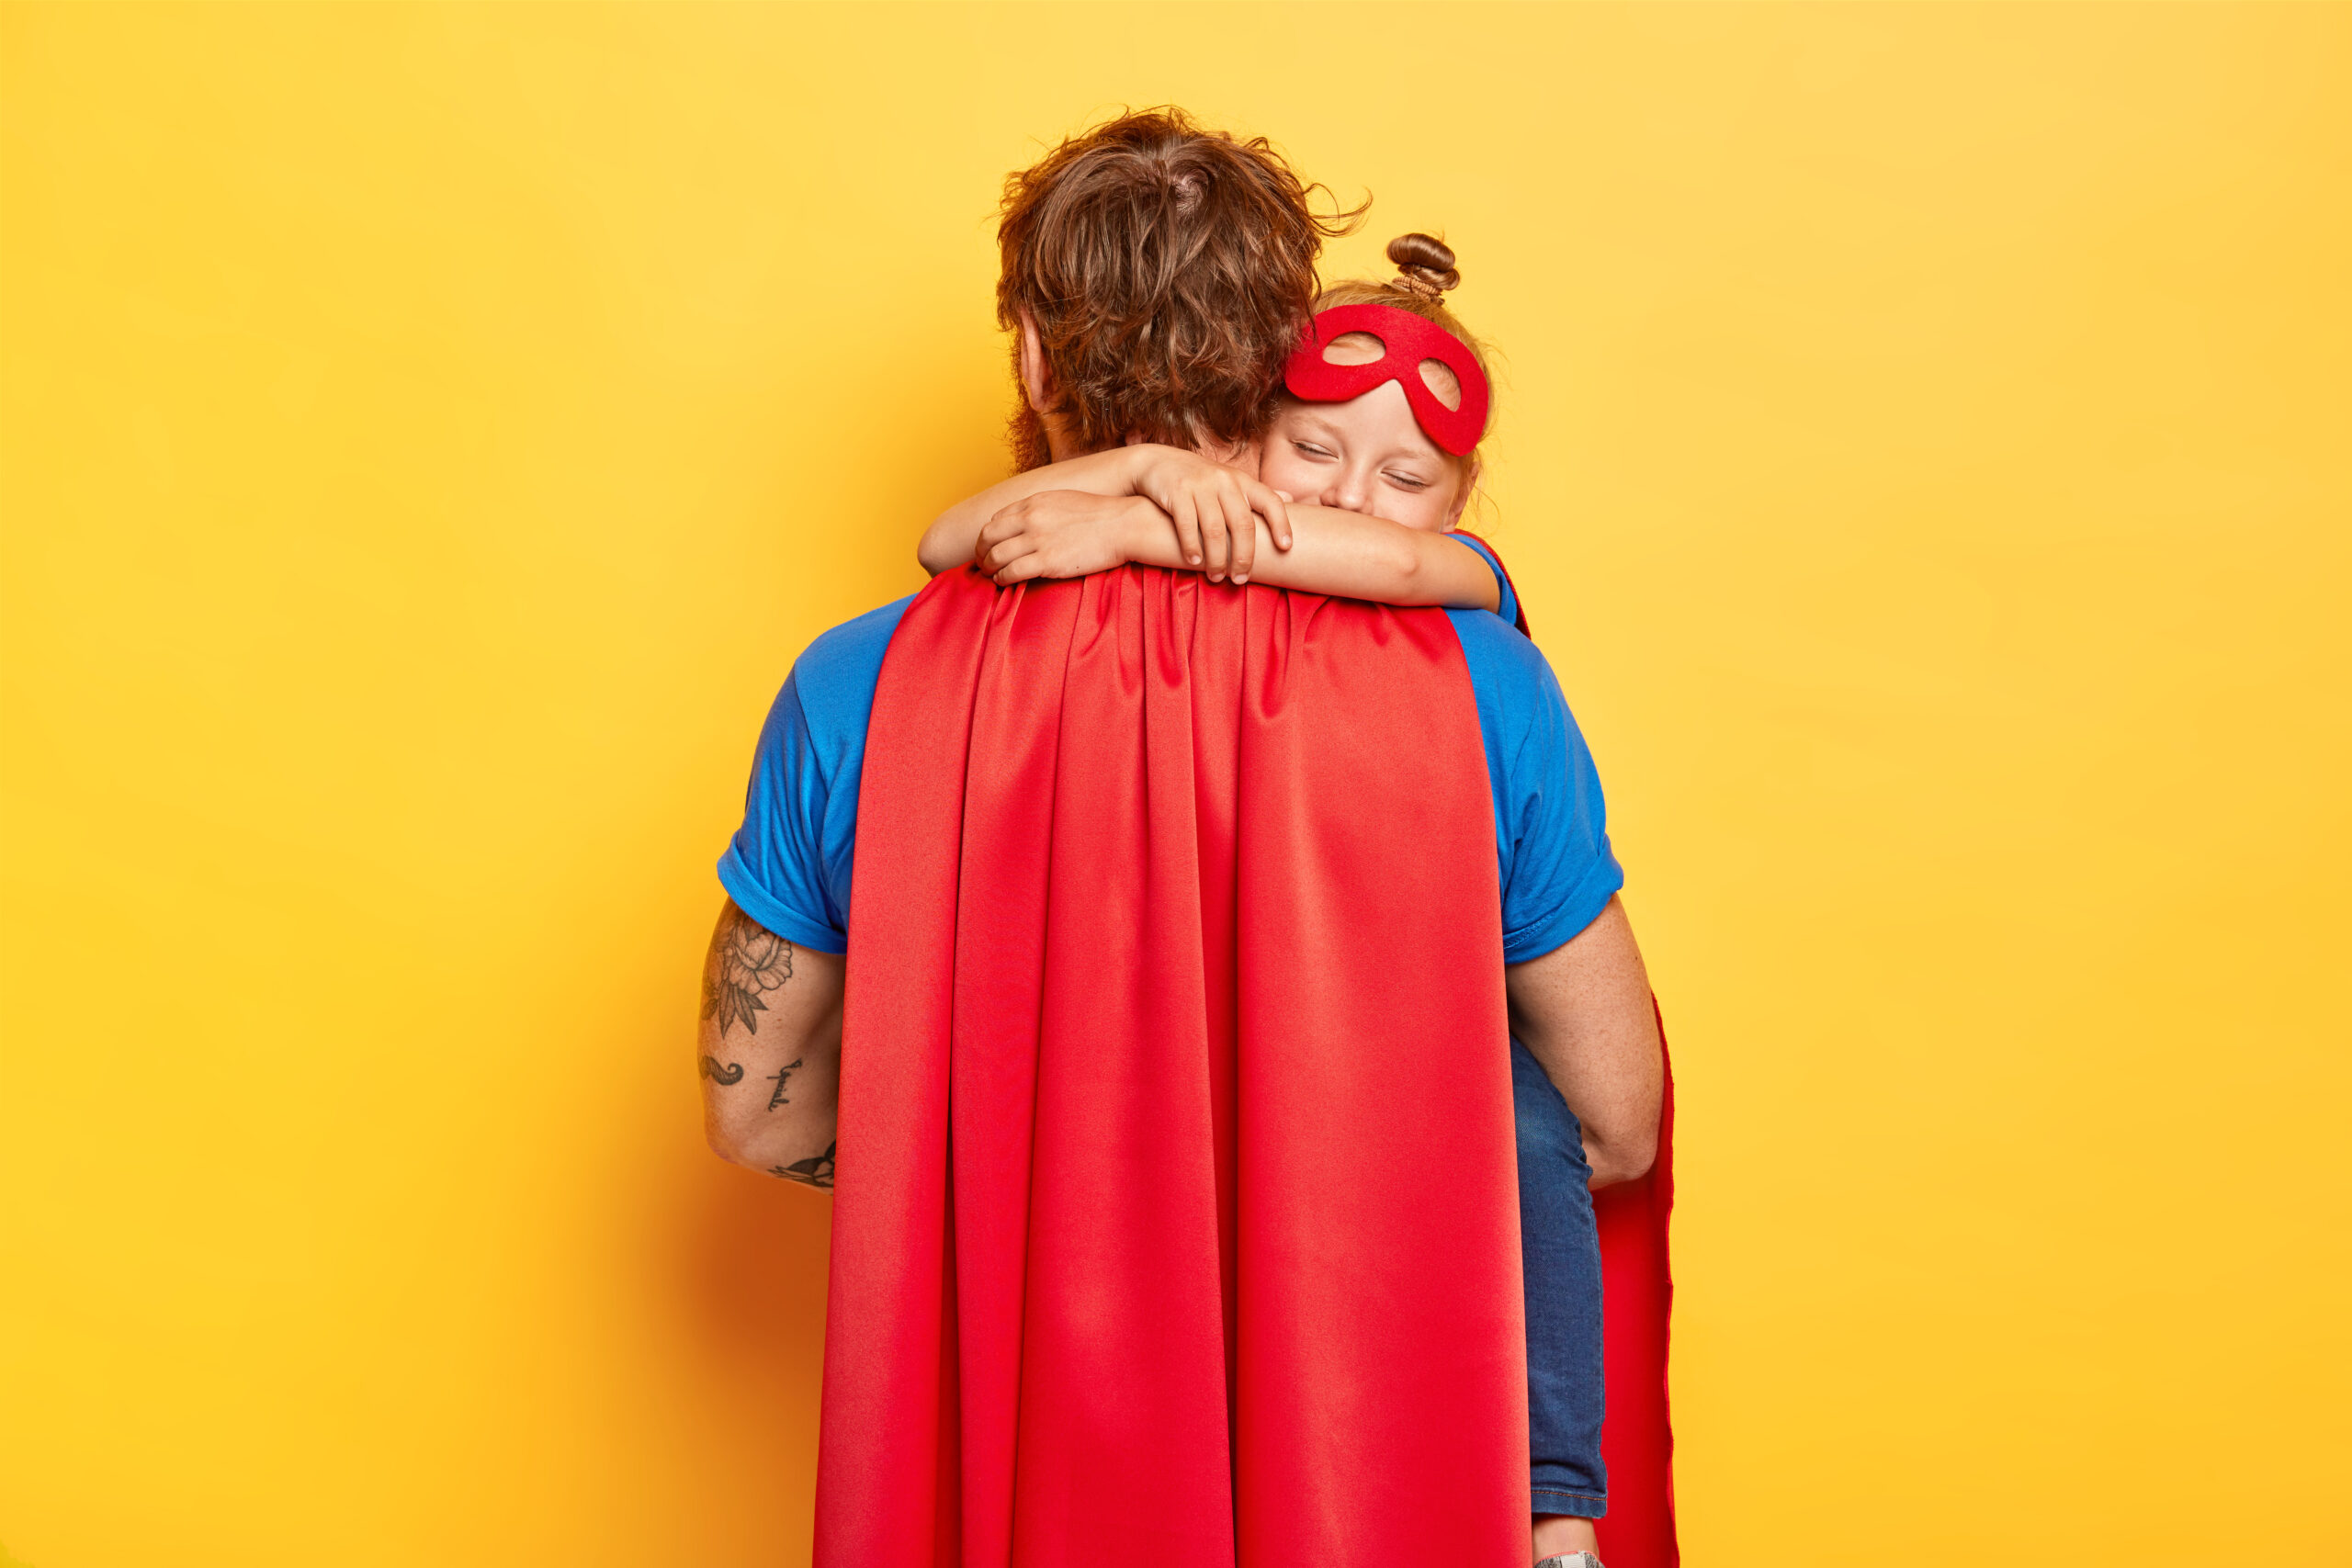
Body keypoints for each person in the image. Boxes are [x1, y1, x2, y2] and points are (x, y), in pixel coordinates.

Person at [697, 109, 1668, 1568]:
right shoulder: (1476, 677)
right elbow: (1612, 1119)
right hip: (1365, 1483)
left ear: (1029, 352)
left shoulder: (856, 684)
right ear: (1281, 361)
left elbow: (756, 1109)